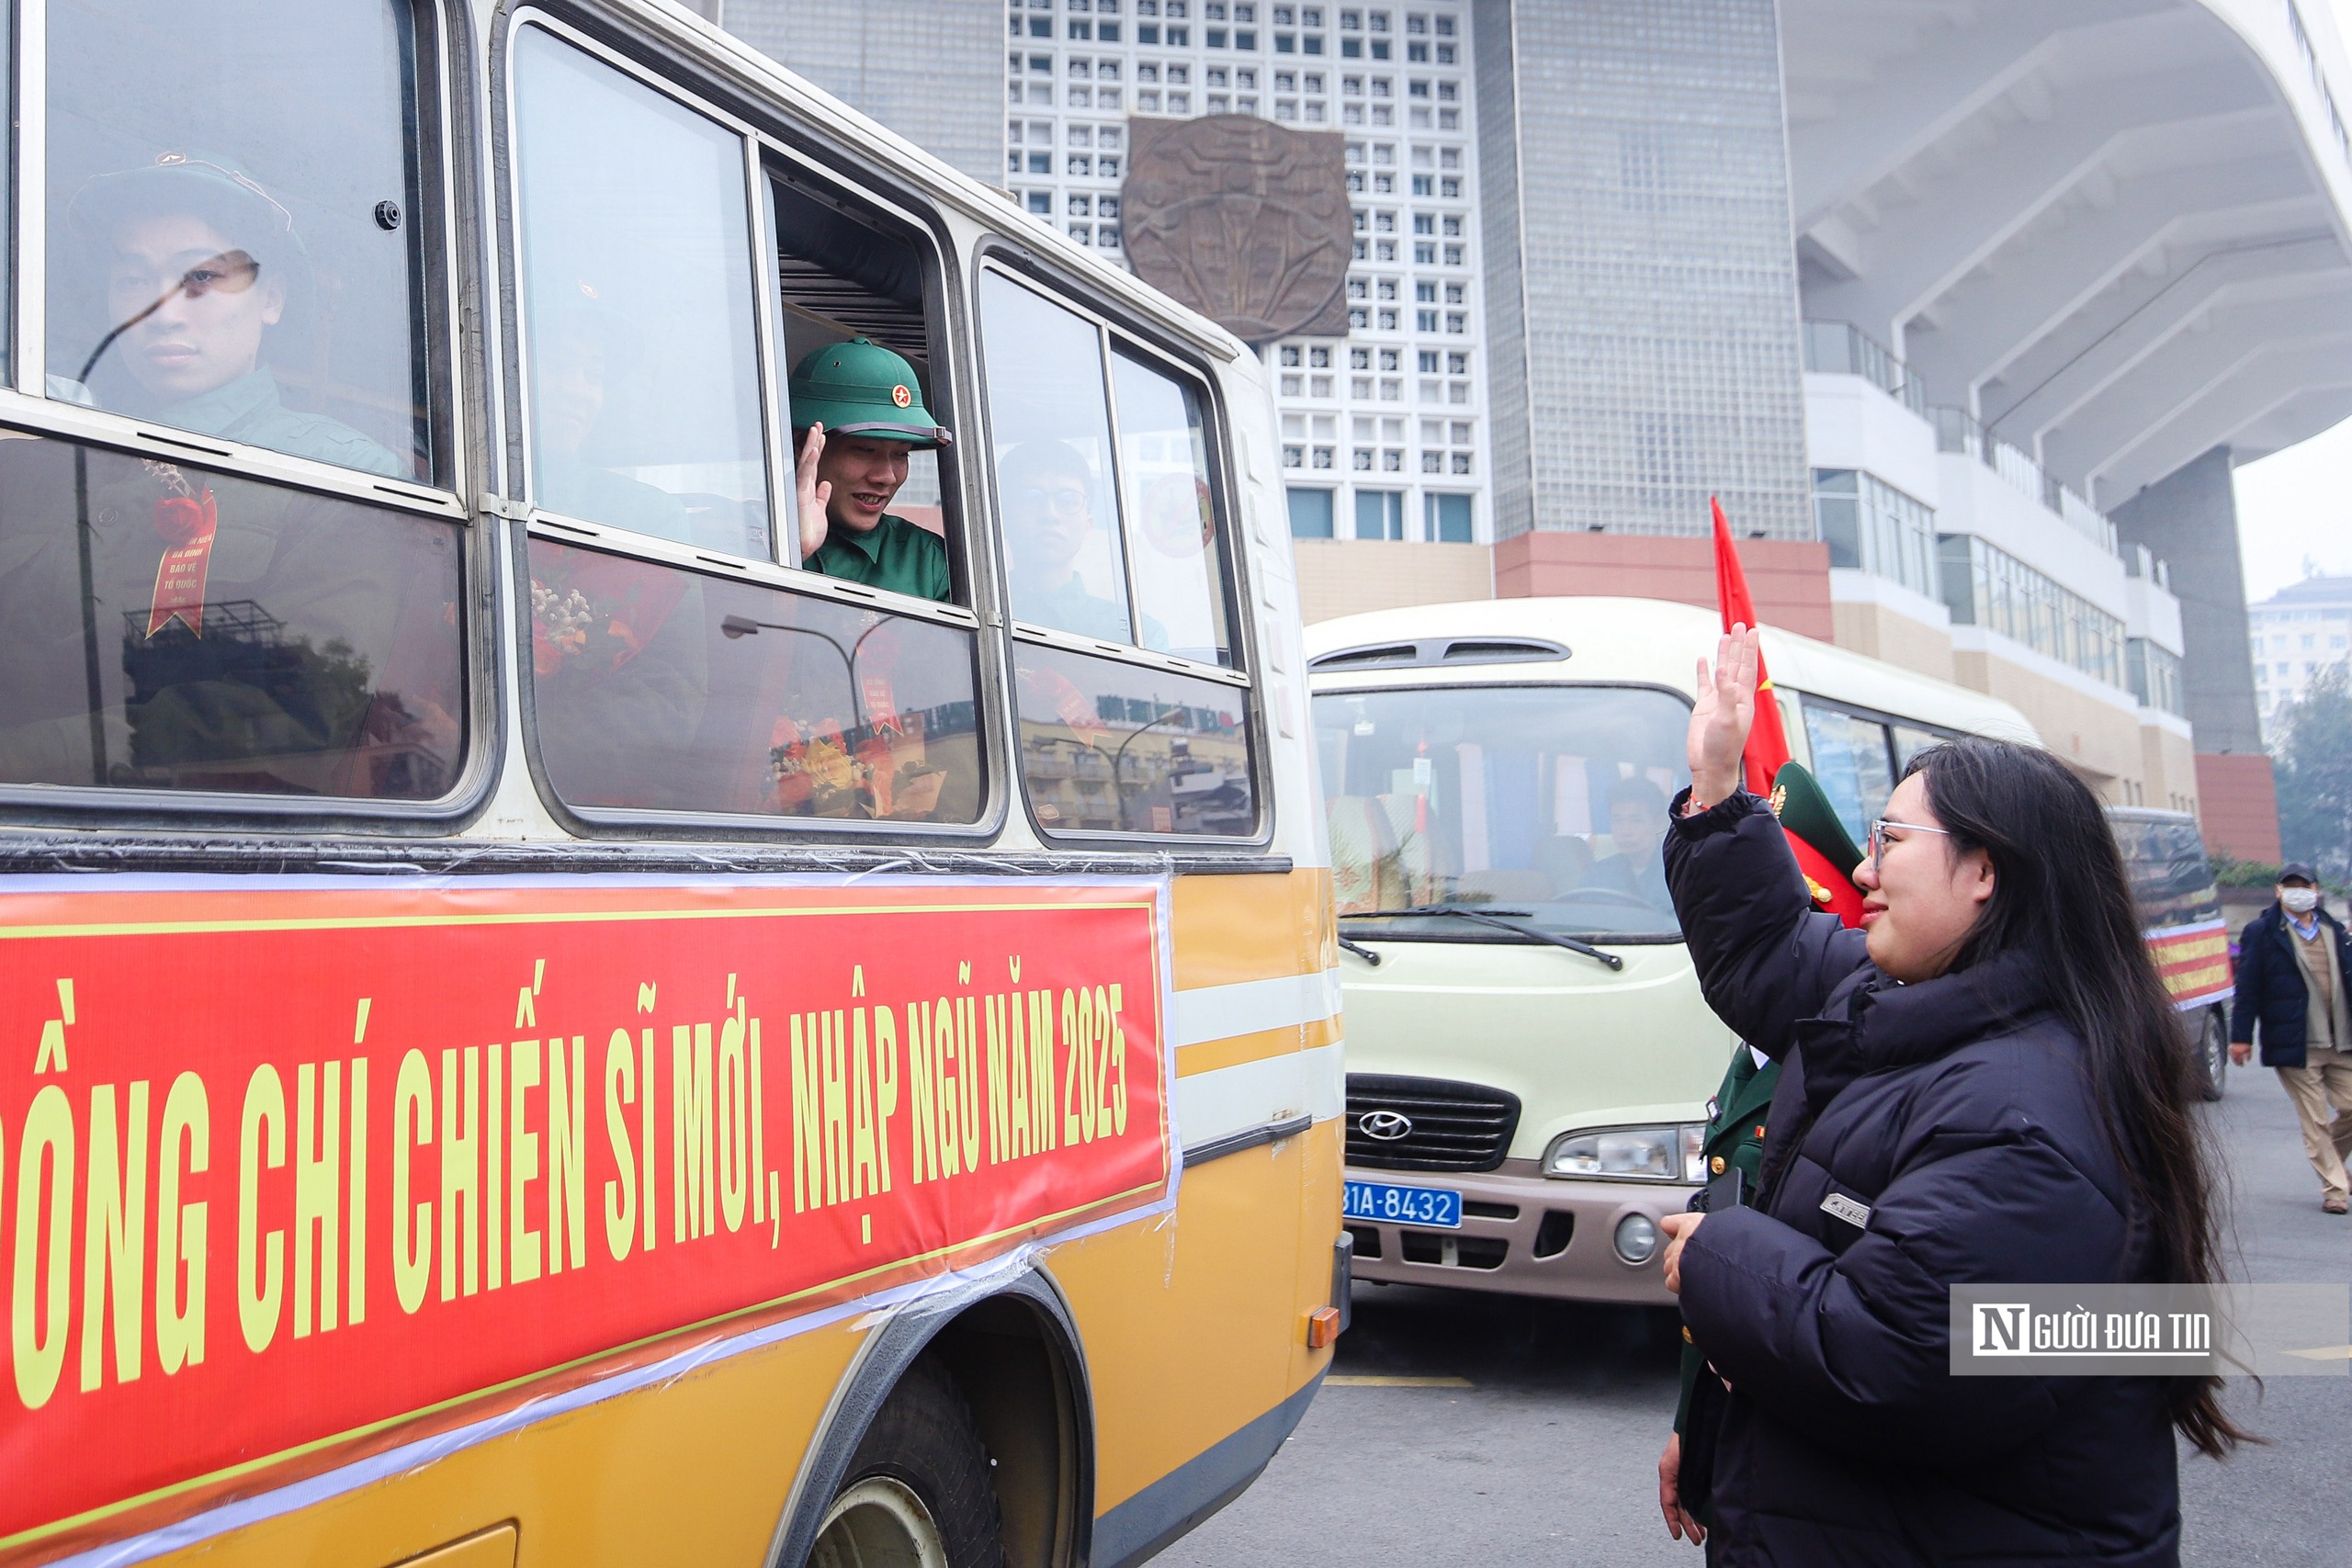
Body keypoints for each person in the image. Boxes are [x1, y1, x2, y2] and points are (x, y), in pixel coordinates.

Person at [1653, 625, 2242, 1564]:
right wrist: (1719, 789)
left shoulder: (2023, 1120)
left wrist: (1717, 1251)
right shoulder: (1914, 1001)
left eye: (1889, 839)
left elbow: (1894, 1360)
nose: (1860, 869)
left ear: (1984, 873)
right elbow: (1767, 950)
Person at [62, 151, 408, 478]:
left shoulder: (344, 468)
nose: (164, 316)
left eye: (201, 276)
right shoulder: (67, 453)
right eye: (134, 280)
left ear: (271, 298)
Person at [789, 338, 955, 604]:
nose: (887, 476)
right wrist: (794, 552)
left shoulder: (928, 561)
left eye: (901, 454)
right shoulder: (739, 537)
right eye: (865, 450)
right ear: (803, 444)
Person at [2228, 862, 2352, 1214]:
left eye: (2305, 885)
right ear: (2279, 891)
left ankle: (2334, 1163)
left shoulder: (2334, 930)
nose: (2298, 891)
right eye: (2290, 885)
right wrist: (2241, 1037)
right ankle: (2335, 1190)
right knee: (2313, 1120)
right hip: (2295, 1042)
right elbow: (2248, 987)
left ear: (2316, 890)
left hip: (2342, 1039)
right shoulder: (2262, 932)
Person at [1000, 439, 1148, 643]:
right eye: (1032, 498)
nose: (1050, 514)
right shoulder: (978, 612)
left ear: (1088, 525)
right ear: (1003, 519)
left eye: (1068, 500)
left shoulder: (1135, 636)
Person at [1584, 774, 1671, 908]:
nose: (1625, 831)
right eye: (1617, 820)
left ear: (1657, 823)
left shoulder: (1677, 872)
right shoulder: (1597, 874)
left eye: (1636, 820)